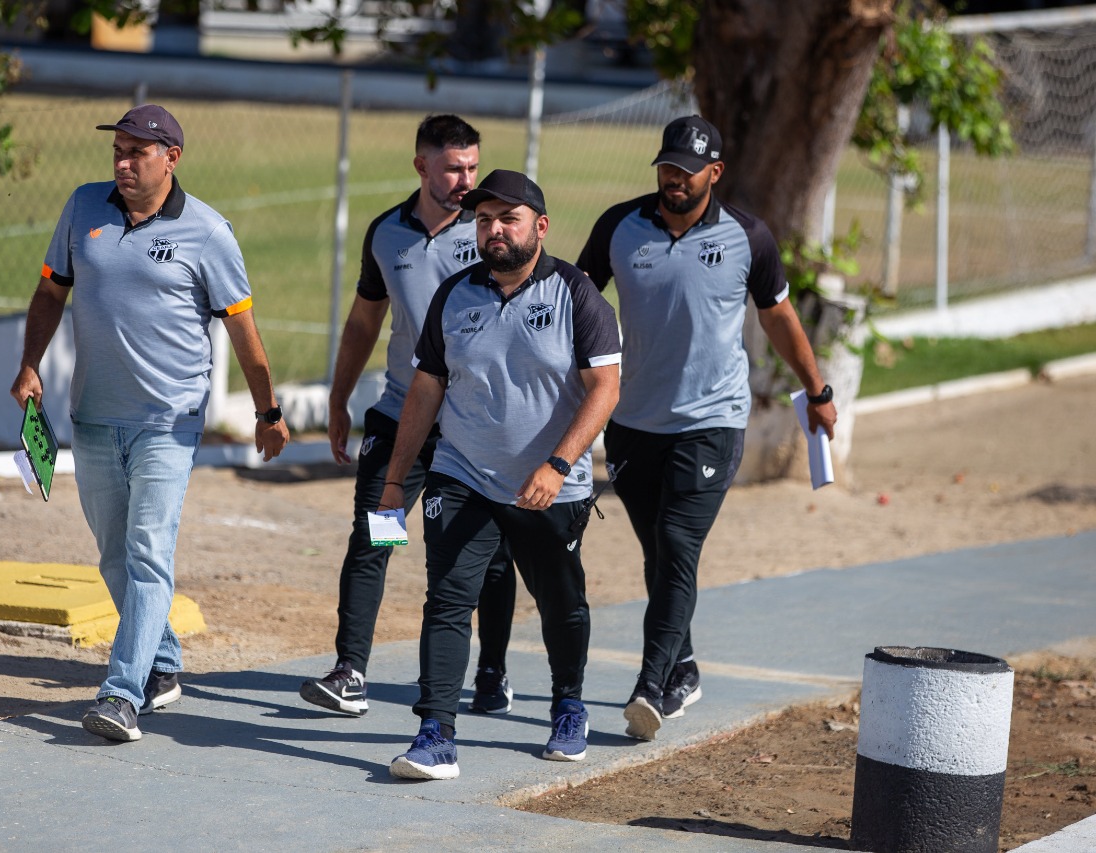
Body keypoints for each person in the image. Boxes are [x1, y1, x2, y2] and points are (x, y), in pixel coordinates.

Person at [9, 104, 290, 743]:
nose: (124, 162)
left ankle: (122, 694)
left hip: (170, 422)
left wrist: (267, 412)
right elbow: (52, 291)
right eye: (119, 150)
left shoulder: (210, 233)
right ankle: (161, 666)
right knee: (115, 554)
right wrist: (30, 364)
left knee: (147, 552)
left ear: (172, 158)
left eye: (138, 151)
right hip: (94, 419)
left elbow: (243, 330)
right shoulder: (84, 209)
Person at [577, 115, 838, 741]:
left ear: (713, 174)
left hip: (712, 422)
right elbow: (578, 299)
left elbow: (777, 318)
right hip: (634, 423)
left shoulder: (749, 236)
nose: (672, 180)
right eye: (665, 168)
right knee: (660, 554)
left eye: (685, 172)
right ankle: (685, 665)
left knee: (677, 543)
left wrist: (817, 390)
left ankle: (651, 686)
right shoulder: (620, 226)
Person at [383, 170, 621, 780]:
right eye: (484, 219)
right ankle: (435, 732)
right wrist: (394, 481)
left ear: (539, 226)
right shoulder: (454, 294)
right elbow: (425, 391)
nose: (493, 230)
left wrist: (559, 463)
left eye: (507, 219)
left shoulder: (578, 294)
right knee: (447, 599)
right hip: (462, 473)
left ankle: (569, 704)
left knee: (560, 602)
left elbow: (605, 389)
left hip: (551, 485)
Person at [299, 115, 518, 718]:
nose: (465, 180)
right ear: (421, 166)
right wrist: (340, 399)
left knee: (490, 558)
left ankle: (492, 672)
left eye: (473, 167)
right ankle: (350, 672)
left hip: (474, 433)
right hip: (401, 424)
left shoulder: (488, 234)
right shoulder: (387, 234)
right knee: (376, 540)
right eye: (453, 168)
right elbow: (364, 322)